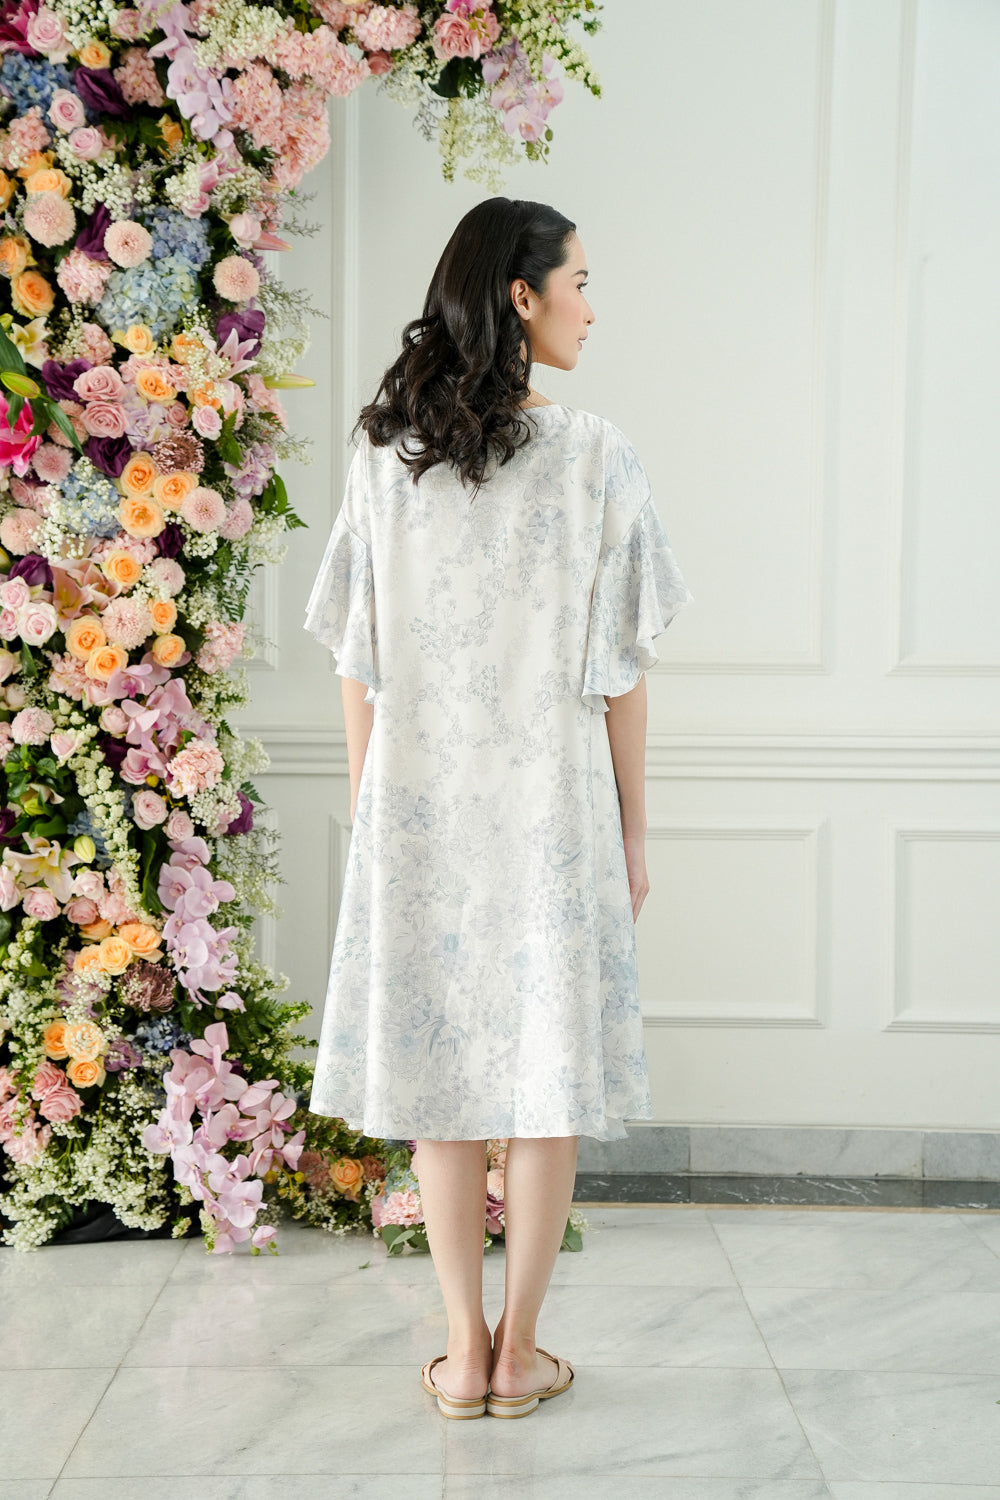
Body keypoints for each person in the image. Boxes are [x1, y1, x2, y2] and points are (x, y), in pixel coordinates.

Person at [303, 197, 691, 1419]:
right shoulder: (597, 455)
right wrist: (633, 832)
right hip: (550, 813)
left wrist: (372, 814)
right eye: (580, 281)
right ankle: (521, 1355)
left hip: (419, 807)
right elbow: (620, 670)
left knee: (441, 1078)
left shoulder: (382, 457)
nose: (592, 306)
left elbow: (356, 661)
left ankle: (461, 1352)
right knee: (542, 1073)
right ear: (522, 296)